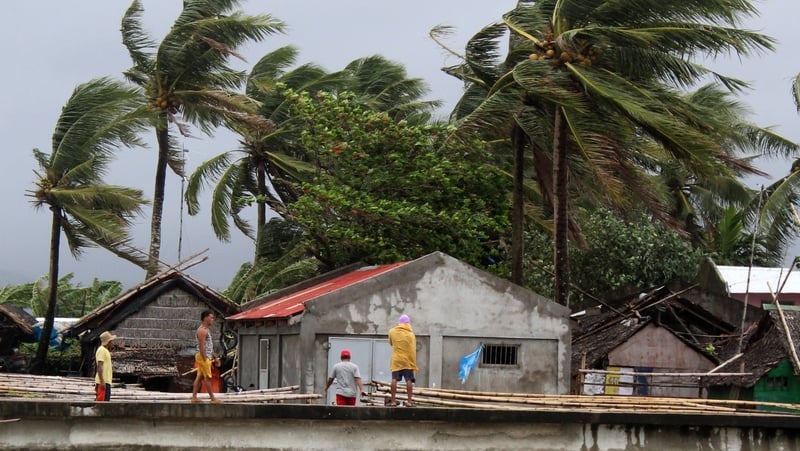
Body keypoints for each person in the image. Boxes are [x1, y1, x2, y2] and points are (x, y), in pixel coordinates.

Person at [191, 310, 222, 404]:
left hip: (205, 356)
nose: (212, 320)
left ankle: (194, 397)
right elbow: (201, 346)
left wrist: (215, 357)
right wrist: (205, 358)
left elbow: (208, 346)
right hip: (203, 357)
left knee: (199, 377)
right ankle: (212, 398)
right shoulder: (202, 330)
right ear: (205, 318)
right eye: (211, 318)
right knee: (208, 378)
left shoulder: (206, 330)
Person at [388, 314, 417, 407]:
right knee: (409, 379)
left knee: (394, 379)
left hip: (396, 360)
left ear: (399, 323)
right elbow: (412, 348)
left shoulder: (392, 332)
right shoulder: (411, 334)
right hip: (408, 360)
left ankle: (393, 401)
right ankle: (409, 401)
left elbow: (391, 343)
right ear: (408, 323)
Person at [95, 331, 117, 402]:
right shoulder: (102, 350)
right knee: (102, 403)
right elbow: (99, 366)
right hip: (104, 381)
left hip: (106, 381)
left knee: (105, 401)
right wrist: (102, 381)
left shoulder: (105, 350)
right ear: (108, 342)